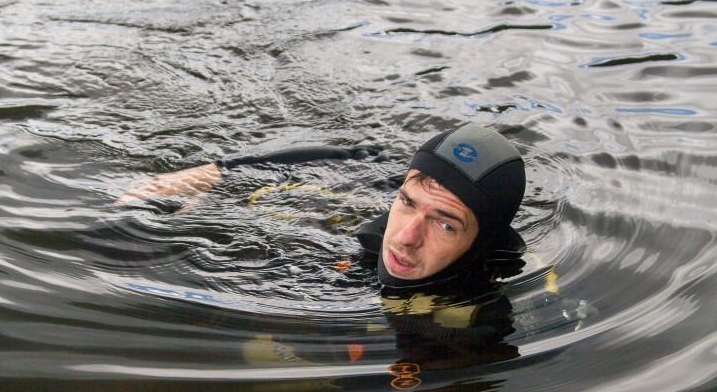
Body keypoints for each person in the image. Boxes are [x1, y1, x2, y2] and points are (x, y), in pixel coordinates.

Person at [116, 123, 526, 291]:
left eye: (446, 225)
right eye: (406, 202)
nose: (404, 238)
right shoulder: (380, 191)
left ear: (483, 242)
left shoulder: (501, 298)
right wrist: (216, 172)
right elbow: (357, 157)